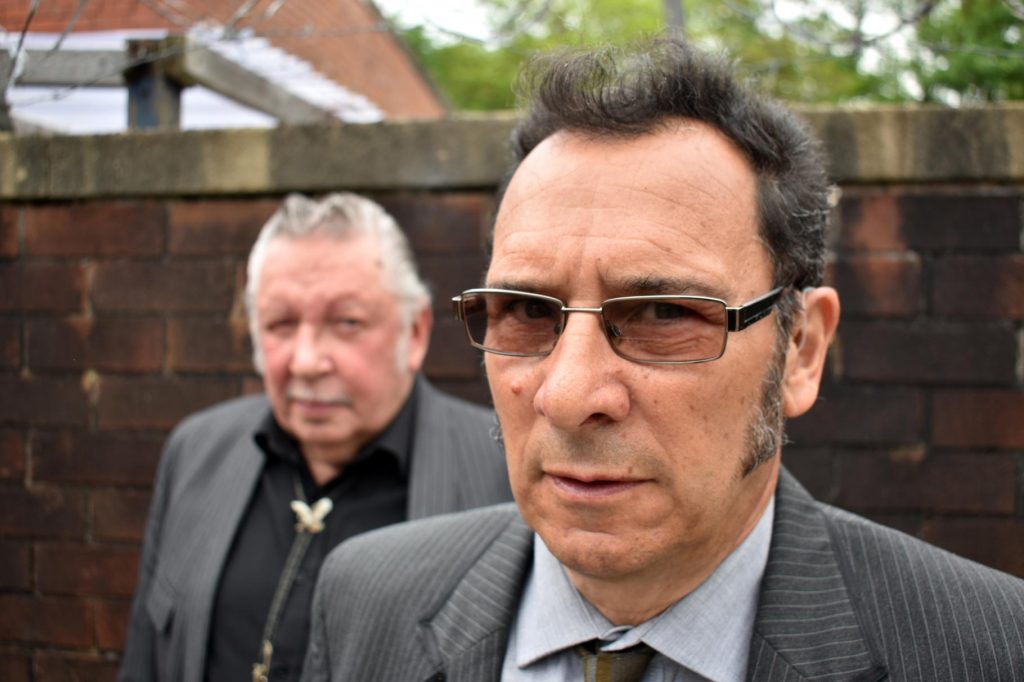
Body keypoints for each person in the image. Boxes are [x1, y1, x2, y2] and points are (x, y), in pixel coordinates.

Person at [300, 39, 1024, 682]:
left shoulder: (988, 650)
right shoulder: (365, 599)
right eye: (528, 310)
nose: (569, 394)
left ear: (801, 350)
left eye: (664, 314)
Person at [117, 193, 512, 682]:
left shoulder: (503, 473)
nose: (305, 361)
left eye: (347, 323)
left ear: (414, 332)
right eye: (281, 323)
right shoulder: (196, 453)